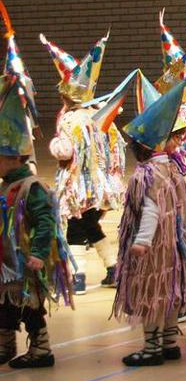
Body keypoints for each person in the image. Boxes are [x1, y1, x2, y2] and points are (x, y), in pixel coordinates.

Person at [110, 80, 186, 366]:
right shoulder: (173, 170)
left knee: (151, 294)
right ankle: (169, 344)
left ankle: (152, 348)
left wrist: (142, 241)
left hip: (156, 249)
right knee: (170, 293)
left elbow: (151, 209)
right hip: (177, 246)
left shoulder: (147, 175)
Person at [40, 31, 125, 294]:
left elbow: (66, 152)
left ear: (68, 96)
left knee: (75, 231)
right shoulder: (101, 116)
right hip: (100, 186)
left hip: (79, 188)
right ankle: (113, 268)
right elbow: (116, 151)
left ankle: (77, 277)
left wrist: (55, 144)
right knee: (91, 225)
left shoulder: (71, 120)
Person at [0, 76, 73, 369]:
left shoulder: (32, 187)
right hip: (8, 264)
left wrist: (40, 254)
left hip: (27, 262)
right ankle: (5, 346)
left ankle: (42, 349)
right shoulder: (6, 185)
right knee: (5, 306)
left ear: (16, 158)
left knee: (29, 307)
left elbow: (45, 221)